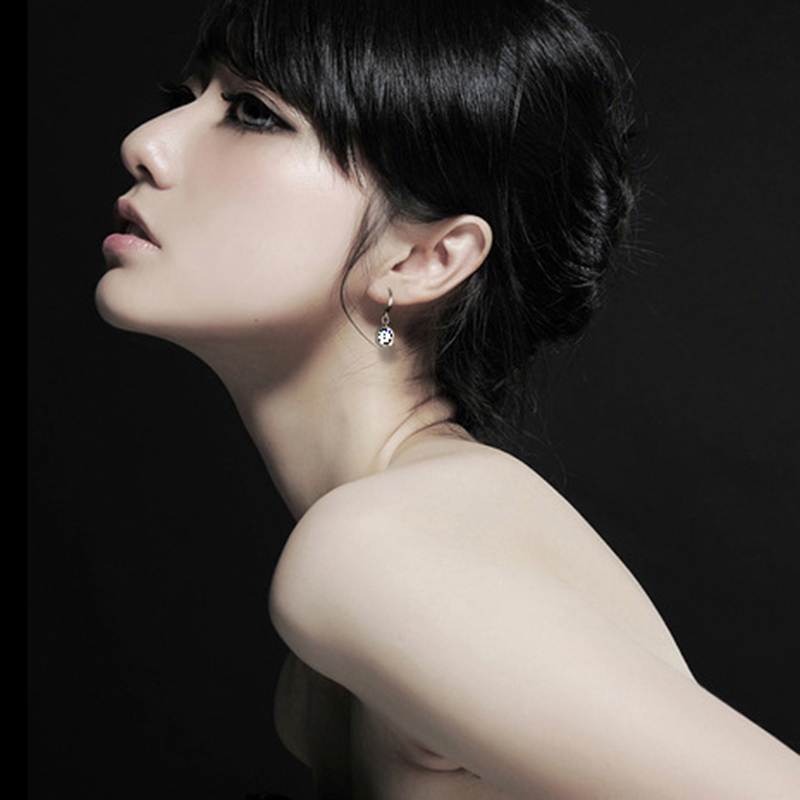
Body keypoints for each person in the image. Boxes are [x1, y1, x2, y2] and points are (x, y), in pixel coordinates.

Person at [95, 0, 800, 797]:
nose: (145, 142)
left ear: (424, 260)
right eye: (187, 96)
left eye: (254, 112)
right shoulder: (418, 526)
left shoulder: (380, 553)